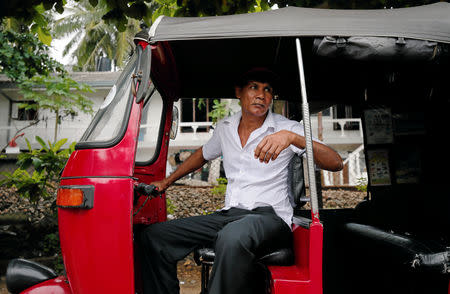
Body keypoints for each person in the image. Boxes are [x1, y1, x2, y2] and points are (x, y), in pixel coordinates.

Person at [139, 68, 343, 294]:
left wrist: (293, 138)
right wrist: (166, 182)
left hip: (270, 218)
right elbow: (202, 155)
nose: (261, 95)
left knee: (234, 235)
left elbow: (335, 162)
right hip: (229, 215)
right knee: (155, 237)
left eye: (267, 90)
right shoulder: (226, 128)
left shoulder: (287, 128)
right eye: (254, 87)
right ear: (239, 92)